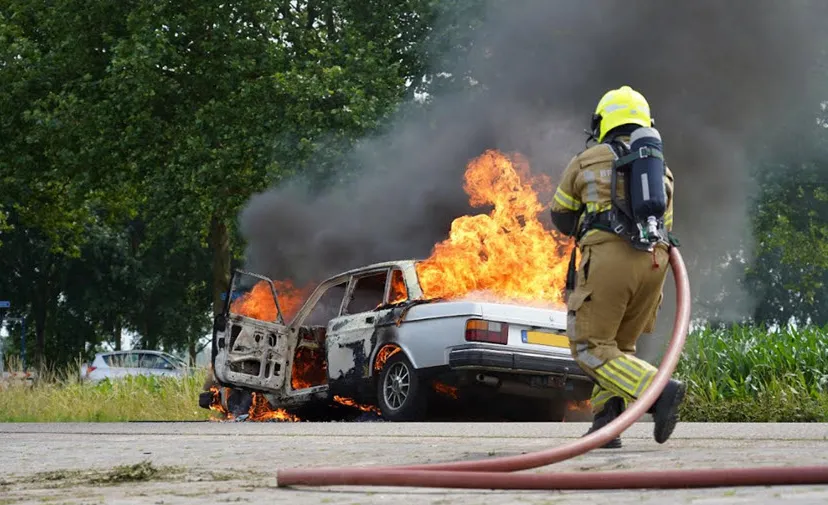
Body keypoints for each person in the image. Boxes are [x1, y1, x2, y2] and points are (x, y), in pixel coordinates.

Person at [548, 85, 686, 449]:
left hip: (609, 260)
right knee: (619, 348)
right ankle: (607, 424)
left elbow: (560, 215)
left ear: (603, 121)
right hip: (654, 265)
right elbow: (666, 225)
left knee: (590, 346)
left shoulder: (588, 159)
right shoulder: (662, 172)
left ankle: (658, 393)